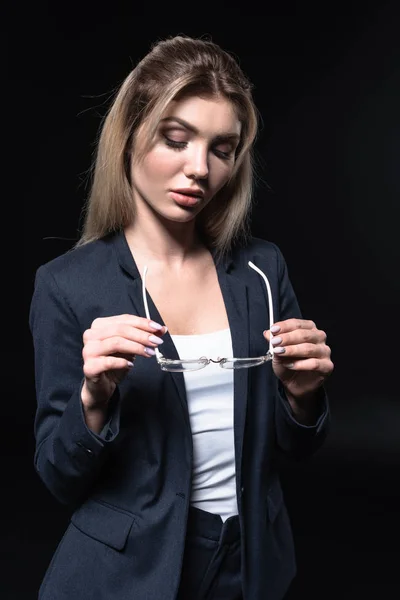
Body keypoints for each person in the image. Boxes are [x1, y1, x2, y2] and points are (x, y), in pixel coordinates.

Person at [29, 34, 334, 600]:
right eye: (176, 139)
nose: (200, 168)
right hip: (130, 573)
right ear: (130, 136)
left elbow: (297, 448)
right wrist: (93, 402)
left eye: (222, 149)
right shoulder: (68, 285)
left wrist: (304, 396)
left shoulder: (261, 270)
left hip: (253, 563)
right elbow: (57, 475)